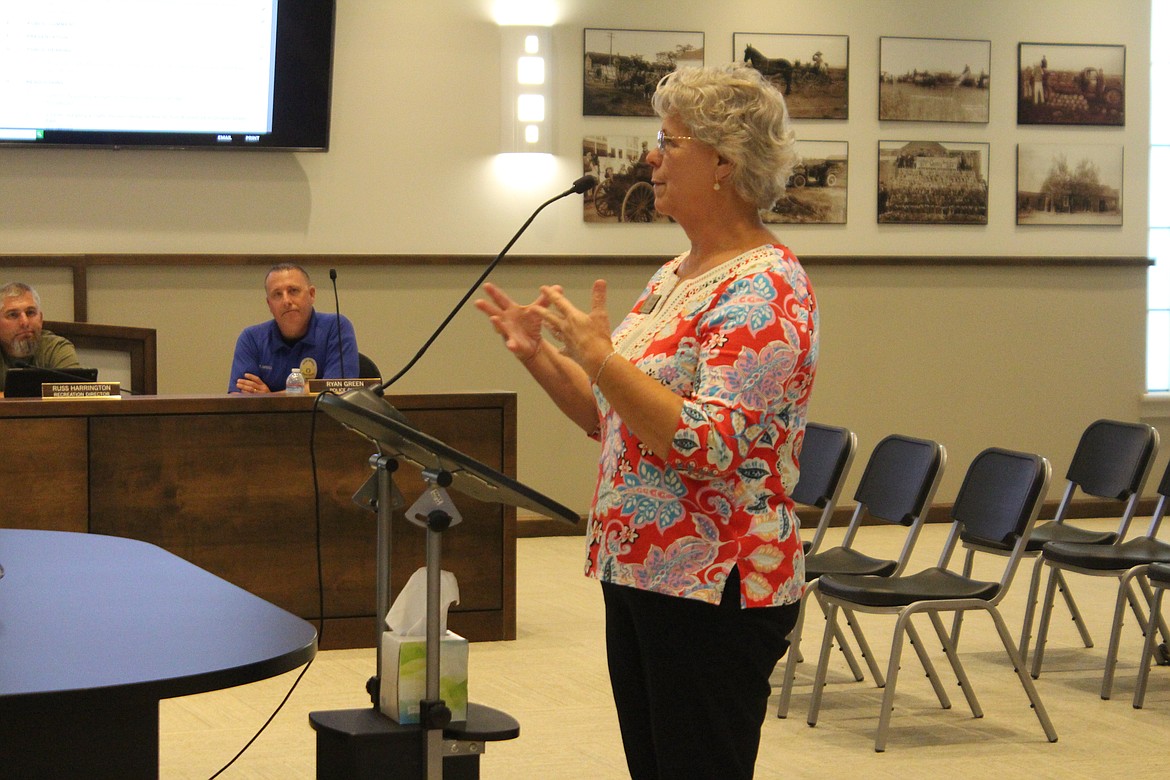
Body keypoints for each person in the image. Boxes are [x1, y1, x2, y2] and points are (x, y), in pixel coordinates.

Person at [475, 63, 817, 779]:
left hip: (715, 583)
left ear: (724, 161)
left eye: (669, 142)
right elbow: (617, 420)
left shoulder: (766, 288)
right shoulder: (678, 273)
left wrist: (602, 359)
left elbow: (711, 444)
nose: (650, 158)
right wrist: (541, 357)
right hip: (646, 571)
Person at [229, 263, 359, 393]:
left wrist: (270, 398)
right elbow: (239, 397)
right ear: (269, 304)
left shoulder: (336, 326)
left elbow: (337, 388)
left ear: (311, 295)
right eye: (277, 294)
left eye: (293, 291)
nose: (286, 301)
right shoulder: (251, 338)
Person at [0, 281, 81, 396]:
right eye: (13, 315)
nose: (25, 322)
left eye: (30, 313)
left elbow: (76, 394)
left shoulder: (56, 348)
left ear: (41, 319)